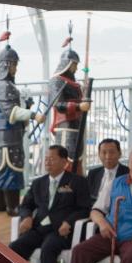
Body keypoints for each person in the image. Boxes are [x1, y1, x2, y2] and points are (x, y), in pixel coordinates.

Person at [10, 145, 92, 263]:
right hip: (39, 229)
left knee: (48, 249)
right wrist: (27, 217)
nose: (47, 162)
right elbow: (25, 205)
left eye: (52, 159)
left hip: (61, 231)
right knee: (15, 247)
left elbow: (84, 208)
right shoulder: (38, 183)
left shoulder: (77, 181)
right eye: (46, 159)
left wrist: (69, 222)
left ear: (64, 162)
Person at [0, 35, 42, 214]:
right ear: (7, 65)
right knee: (10, 170)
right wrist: (33, 114)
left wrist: (27, 108)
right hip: (7, 134)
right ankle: (13, 207)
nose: (16, 68)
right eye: (14, 64)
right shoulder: (3, 85)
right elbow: (11, 112)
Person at [47, 36, 91, 171]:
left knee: (77, 162)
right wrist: (78, 106)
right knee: (66, 162)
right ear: (67, 64)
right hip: (65, 127)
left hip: (76, 126)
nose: (76, 68)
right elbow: (58, 105)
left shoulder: (73, 83)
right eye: (74, 64)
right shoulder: (57, 81)